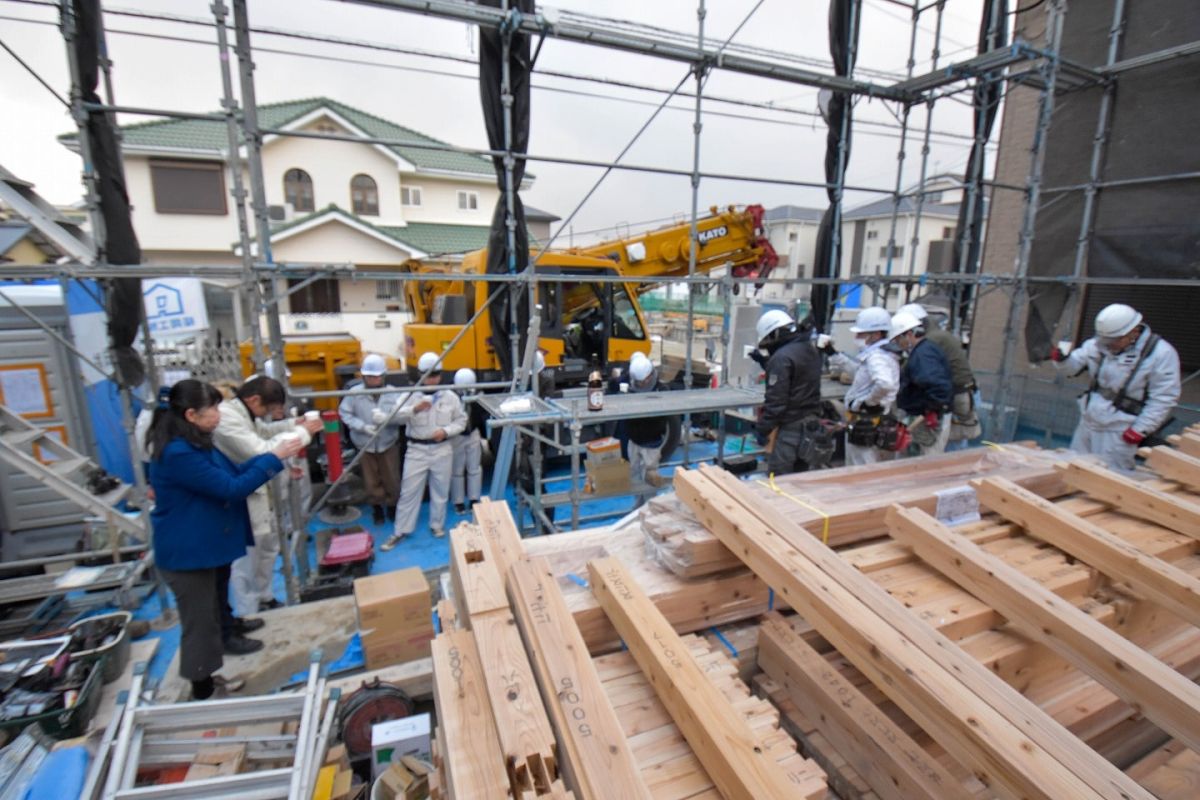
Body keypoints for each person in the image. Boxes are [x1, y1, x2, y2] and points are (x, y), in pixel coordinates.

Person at [146, 379, 304, 700]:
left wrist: (274, 457)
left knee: (216, 606)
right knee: (200, 623)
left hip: (207, 545)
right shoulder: (179, 453)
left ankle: (224, 643)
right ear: (191, 414)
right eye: (213, 408)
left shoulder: (197, 442)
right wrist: (274, 457)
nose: (218, 414)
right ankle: (202, 687)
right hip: (189, 552)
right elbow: (231, 488)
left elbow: (233, 472)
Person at [213, 376, 322, 633]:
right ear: (253, 400)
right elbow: (261, 449)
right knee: (246, 561)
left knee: (267, 549)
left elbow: (262, 431)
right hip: (244, 498)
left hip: (262, 495)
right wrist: (303, 433)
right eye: (267, 409)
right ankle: (247, 612)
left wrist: (292, 423)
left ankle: (265, 596)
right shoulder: (227, 419)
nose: (268, 415)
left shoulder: (243, 415)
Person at [1050, 303, 1181, 472]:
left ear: (1133, 332)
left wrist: (1140, 430)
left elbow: (1164, 398)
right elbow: (1073, 366)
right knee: (1074, 469)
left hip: (1119, 430)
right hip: (1089, 420)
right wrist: (1062, 360)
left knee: (1109, 477)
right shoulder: (1098, 344)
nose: (1108, 345)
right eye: (1105, 340)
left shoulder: (1160, 354)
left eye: (1114, 340)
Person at [382, 352, 467, 550]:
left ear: (441, 375)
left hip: (441, 448)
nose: (431, 379)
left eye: (435, 375)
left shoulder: (450, 397)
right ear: (420, 374)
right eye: (428, 375)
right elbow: (393, 417)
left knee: (440, 490)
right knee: (409, 491)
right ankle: (400, 530)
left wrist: (446, 431)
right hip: (416, 449)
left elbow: (461, 421)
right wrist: (414, 409)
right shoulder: (410, 396)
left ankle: (437, 525)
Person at [754, 309, 830, 475]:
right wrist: (766, 364)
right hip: (810, 426)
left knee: (779, 480)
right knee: (799, 479)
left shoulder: (781, 358)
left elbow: (776, 402)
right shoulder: (809, 349)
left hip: (790, 430)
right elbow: (796, 379)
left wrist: (763, 429)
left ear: (774, 334)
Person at [822, 307, 901, 466]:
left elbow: (885, 384)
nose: (857, 337)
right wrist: (833, 353)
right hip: (864, 421)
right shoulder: (877, 355)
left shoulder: (877, 357)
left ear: (877, 334)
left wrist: (868, 402)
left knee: (862, 467)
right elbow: (859, 373)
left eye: (861, 334)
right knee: (857, 465)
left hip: (867, 421)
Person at [898, 303, 980, 446]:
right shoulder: (937, 335)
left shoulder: (931, 340)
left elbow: (911, 366)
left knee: (947, 443)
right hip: (956, 392)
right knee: (949, 443)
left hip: (955, 395)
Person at [338, 354, 401, 525]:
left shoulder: (393, 393)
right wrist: (362, 426)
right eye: (371, 376)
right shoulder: (354, 394)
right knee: (371, 479)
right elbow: (345, 413)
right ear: (364, 376)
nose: (374, 379)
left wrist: (388, 418)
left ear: (383, 376)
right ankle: (377, 509)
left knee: (391, 478)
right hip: (364, 444)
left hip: (388, 443)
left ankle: (392, 507)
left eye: (377, 376)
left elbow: (403, 416)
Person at [890, 311, 954, 456]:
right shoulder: (924, 350)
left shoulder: (923, 355)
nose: (897, 344)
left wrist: (932, 409)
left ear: (909, 334)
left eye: (898, 339)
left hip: (928, 418)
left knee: (924, 461)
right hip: (923, 414)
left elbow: (939, 386)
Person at [623, 353, 669, 492]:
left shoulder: (662, 391)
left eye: (643, 382)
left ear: (650, 376)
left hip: (652, 442)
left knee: (650, 480)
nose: (641, 385)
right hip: (634, 440)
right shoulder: (632, 385)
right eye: (638, 383)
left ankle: (649, 508)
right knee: (635, 479)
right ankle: (638, 507)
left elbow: (662, 418)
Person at [451, 368, 485, 515]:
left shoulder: (477, 395)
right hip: (456, 435)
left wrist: (483, 434)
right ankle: (458, 501)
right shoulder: (451, 398)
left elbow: (481, 414)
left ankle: (474, 499)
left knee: (474, 468)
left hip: (473, 433)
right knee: (457, 470)